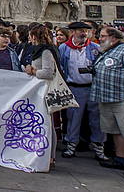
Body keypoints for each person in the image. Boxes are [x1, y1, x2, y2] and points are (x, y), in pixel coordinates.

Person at [58, 22, 106, 161]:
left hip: (92, 87)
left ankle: (99, 147)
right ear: (73, 32)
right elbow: (61, 66)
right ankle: (71, 145)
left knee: (96, 119)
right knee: (74, 118)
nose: (83, 33)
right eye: (80, 30)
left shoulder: (94, 48)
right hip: (74, 86)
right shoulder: (64, 48)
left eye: (85, 30)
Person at [89, 27, 124, 172]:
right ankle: (121, 159)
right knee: (115, 130)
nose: (99, 38)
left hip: (123, 98)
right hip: (107, 97)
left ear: (113, 37)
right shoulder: (106, 50)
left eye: (102, 36)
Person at [24, 24, 60, 170]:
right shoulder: (40, 50)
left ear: (34, 36)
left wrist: (33, 71)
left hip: (46, 91)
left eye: (30, 35)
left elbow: (48, 72)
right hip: (39, 91)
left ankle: (50, 156)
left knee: (48, 124)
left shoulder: (46, 51)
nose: (29, 38)